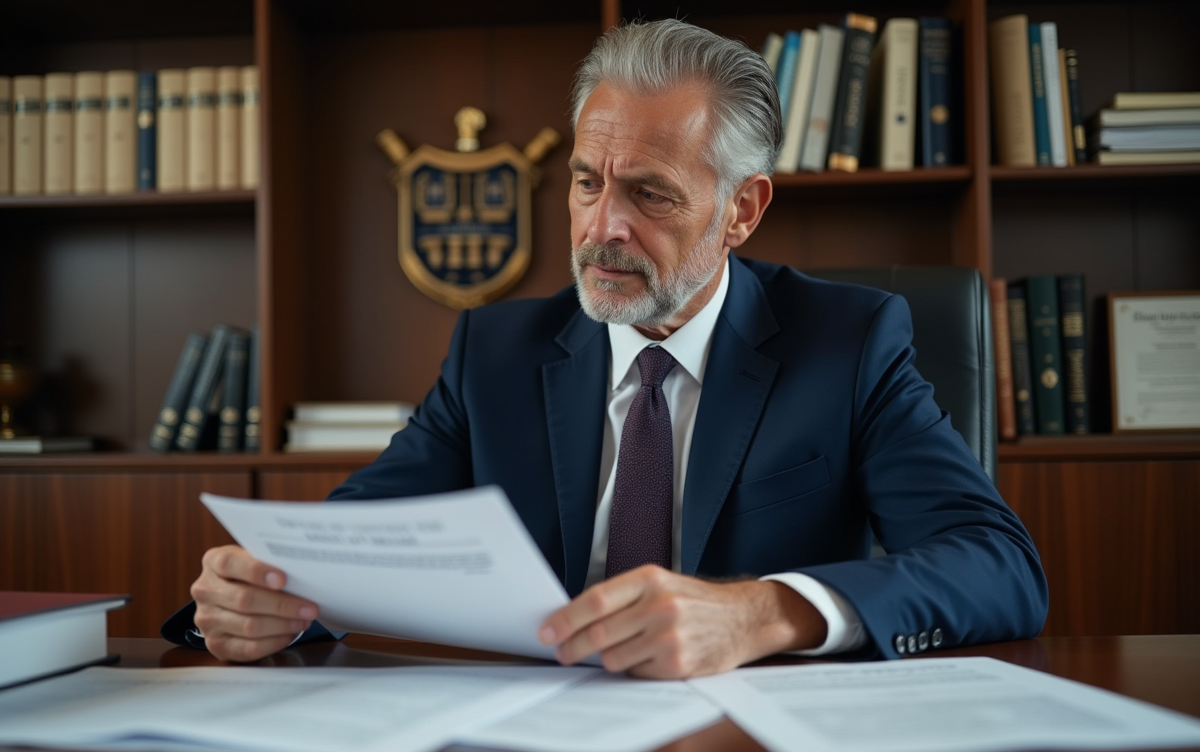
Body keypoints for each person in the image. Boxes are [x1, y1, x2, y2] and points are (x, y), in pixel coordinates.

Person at [169, 19, 1047, 677]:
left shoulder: (849, 343)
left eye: (650, 195)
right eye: (587, 183)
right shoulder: (497, 350)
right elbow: (349, 546)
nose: (602, 228)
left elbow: (999, 566)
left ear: (742, 210)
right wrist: (271, 600)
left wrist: (764, 613)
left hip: (762, 751)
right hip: (539, 747)